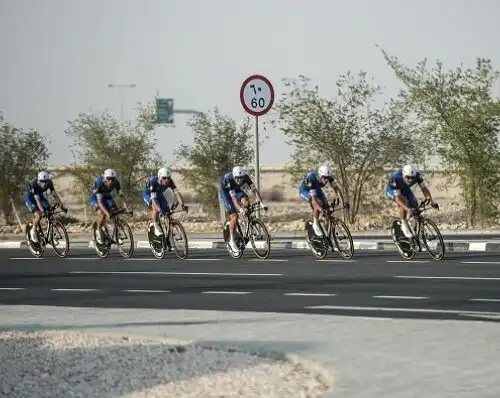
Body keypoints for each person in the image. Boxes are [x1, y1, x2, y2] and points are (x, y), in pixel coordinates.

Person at [219, 166, 266, 254]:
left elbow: (254, 190)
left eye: (240, 178)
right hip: (226, 192)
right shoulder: (228, 179)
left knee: (246, 202)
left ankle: (246, 222)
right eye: (236, 178)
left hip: (236, 190)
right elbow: (233, 198)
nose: (239, 180)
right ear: (233, 176)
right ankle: (231, 241)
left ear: (243, 176)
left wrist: (262, 204)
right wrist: (240, 209)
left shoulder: (246, 177)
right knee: (234, 215)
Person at [385, 164, 439, 239]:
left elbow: (424, 189)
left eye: (412, 178)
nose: (410, 180)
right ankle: (404, 224)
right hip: (392, 191)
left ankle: (414, 232)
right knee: (404, 201)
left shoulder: (417, 176)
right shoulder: (395, 178)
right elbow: (398, 199)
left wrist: (431, 200)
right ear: (403, 175)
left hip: (404, 189)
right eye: (408, 177)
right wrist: (407, 209)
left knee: (415, 207)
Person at [299, 165, 349, 237]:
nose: (326, 181)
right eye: (325, 178)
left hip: (317, 189)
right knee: (319, 203)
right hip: (305, 190)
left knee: (327, 213)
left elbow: (337, 189)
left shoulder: (329, 178)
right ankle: (315, 223)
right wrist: (321, 209)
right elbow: (314, 199)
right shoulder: (312, 179)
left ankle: (325, 237)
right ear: (320, 176)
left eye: (328, 178)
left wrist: (343, 202)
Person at [142, 167, 187, 238]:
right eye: (164, 178)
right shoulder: (153, 182)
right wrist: (159, 210)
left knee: (167, 210)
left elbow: (177, 193)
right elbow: (153, 199)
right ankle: (156, 226)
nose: (167, 180)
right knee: (156, 208)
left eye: (168, 178)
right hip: (148, 194)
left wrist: (182, 204)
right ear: (160, 177)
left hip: (159, 194)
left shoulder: (170, 182)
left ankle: (168, 234)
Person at [23, 171, 67, 243]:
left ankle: (51, 231)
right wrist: (43, 211)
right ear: (38, 180)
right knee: (39, 215)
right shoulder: (34, 184)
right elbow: (38, 201)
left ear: (47, 181)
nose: (44, 183)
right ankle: (33, 231)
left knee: (49, 211)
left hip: (40, 196)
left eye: (45, 181)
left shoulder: (49, 183)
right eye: (42, 182)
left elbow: (55, 196)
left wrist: (62, 207)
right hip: (30, 198)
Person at [89, 168, 129, 244]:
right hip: (95, 198)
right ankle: (98, 231)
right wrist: (107, 213)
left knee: (115, 211)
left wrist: (126, 206)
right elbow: (100, 203)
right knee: (102, 213)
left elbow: (121, 195)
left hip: (107, 196)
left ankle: (116, 234)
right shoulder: (99, 183)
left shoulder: (116, 183)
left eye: (112, 179)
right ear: (105, 178)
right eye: (108, 179)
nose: (111, 181)